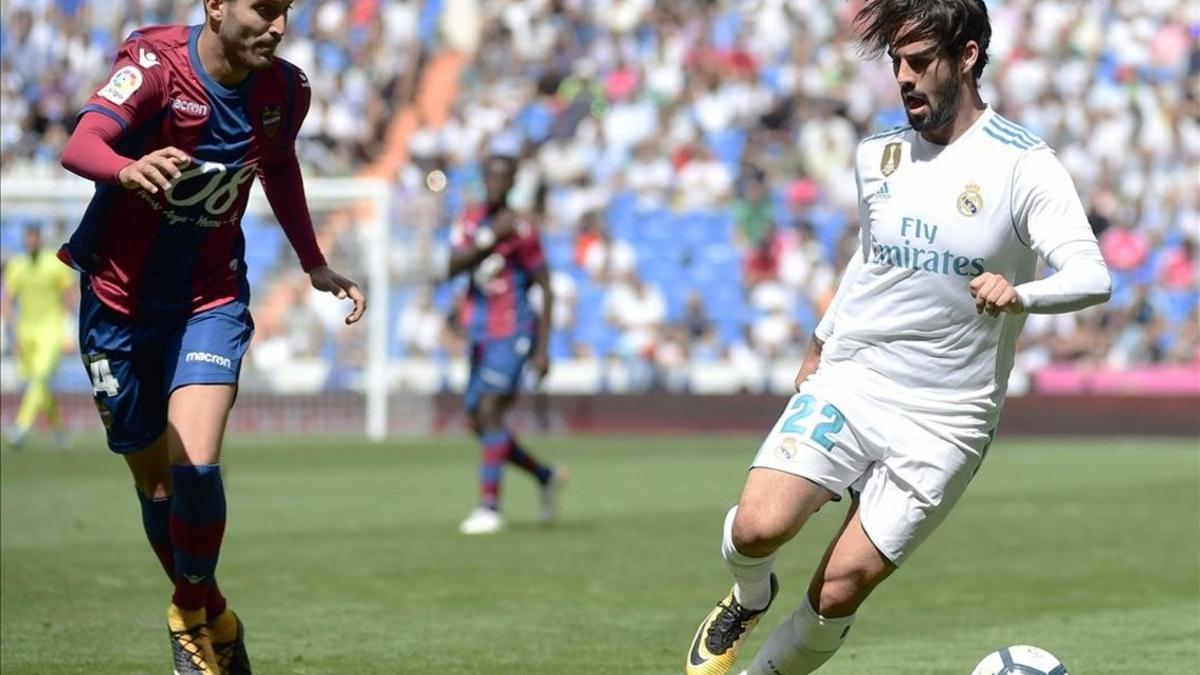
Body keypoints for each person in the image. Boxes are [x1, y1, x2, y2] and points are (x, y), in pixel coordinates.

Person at [684, 1, 1112, 673]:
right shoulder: (879, 155)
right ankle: (748, 593)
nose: (905, 78)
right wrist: (823, 337)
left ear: (967, 57)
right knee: (755, 525)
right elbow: (872, 255)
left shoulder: (1024, 164)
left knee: (836, 590)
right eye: (896, 64)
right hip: (857, 377)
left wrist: (1020, 292)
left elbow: (1092, 273)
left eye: (920, 61)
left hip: (947, 417)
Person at [56, 2, 365, 673]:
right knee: (158, 488)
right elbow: (80, 144)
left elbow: (279, 167)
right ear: (216, 7)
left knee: (195, 460)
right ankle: (214, 613)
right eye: (263, 8)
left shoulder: (287, 90)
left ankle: (185, 616)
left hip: (209, 296)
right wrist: (123, 168)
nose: (278, 25)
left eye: (286, 10)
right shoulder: (155, 66)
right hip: (118, 306)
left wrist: (313, 261)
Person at [447, 152, 567, 535]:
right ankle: (545, 476)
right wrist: (489, 239)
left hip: (514, 330)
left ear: (513, 183)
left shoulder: (523, 229)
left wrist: (544, 346)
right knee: (477, 420)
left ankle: (490, 506)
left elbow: (545, 285)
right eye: (491, 177)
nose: (497, 184)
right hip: (480, 332)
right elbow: (452, 266)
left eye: (504, 178)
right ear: (484, 180)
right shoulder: (470, 221)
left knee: (491, 410)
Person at [2, 224, 75, 449]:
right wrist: (12, 332)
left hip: (50, 331)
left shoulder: (54, 263)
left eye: (35, 238)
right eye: (28, 239)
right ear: (25, 240)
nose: (31, 242)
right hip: (26, 334)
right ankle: (60, 432)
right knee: (38, 385)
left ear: (40, 239)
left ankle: (20, 428)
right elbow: (7, 300)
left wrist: (69, 330)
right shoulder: (17, 266)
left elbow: (69, 295)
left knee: (40, 378)